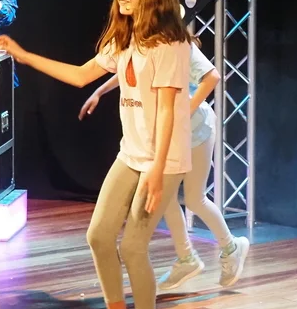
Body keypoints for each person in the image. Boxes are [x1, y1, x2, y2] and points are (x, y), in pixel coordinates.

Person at [0, 0, 192, 309]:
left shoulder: (171, 44)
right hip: (130, 154)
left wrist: (158, 171)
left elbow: (168, 112)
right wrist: (24, 56)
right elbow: (81, 75)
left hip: (163, 160)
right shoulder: (126, 38)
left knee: (133, 247)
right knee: (99, 236)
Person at [79, 38, 251, 289]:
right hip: (168, 135)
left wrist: (183, 114)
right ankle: (187, 258)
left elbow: (212, 77)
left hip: (196, 131)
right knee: (162, 196)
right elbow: (129, 71)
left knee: (194, 199)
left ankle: (232, 247)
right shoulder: (146, 44)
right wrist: (100, 91)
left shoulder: (179, 45)